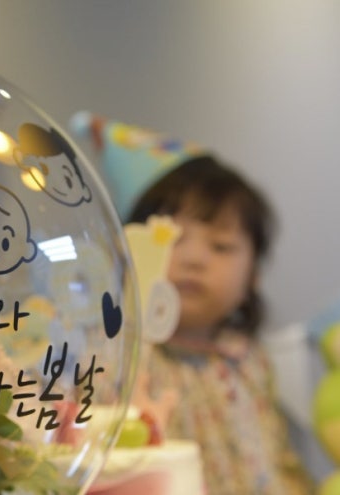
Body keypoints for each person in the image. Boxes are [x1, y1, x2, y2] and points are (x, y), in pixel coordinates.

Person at [127, 154, 314, 494]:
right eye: (171, 239)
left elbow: (277, 455)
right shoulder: (120, 358)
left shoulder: (250, 360)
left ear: (253, 276)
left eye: (221, 246)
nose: (194, 259)